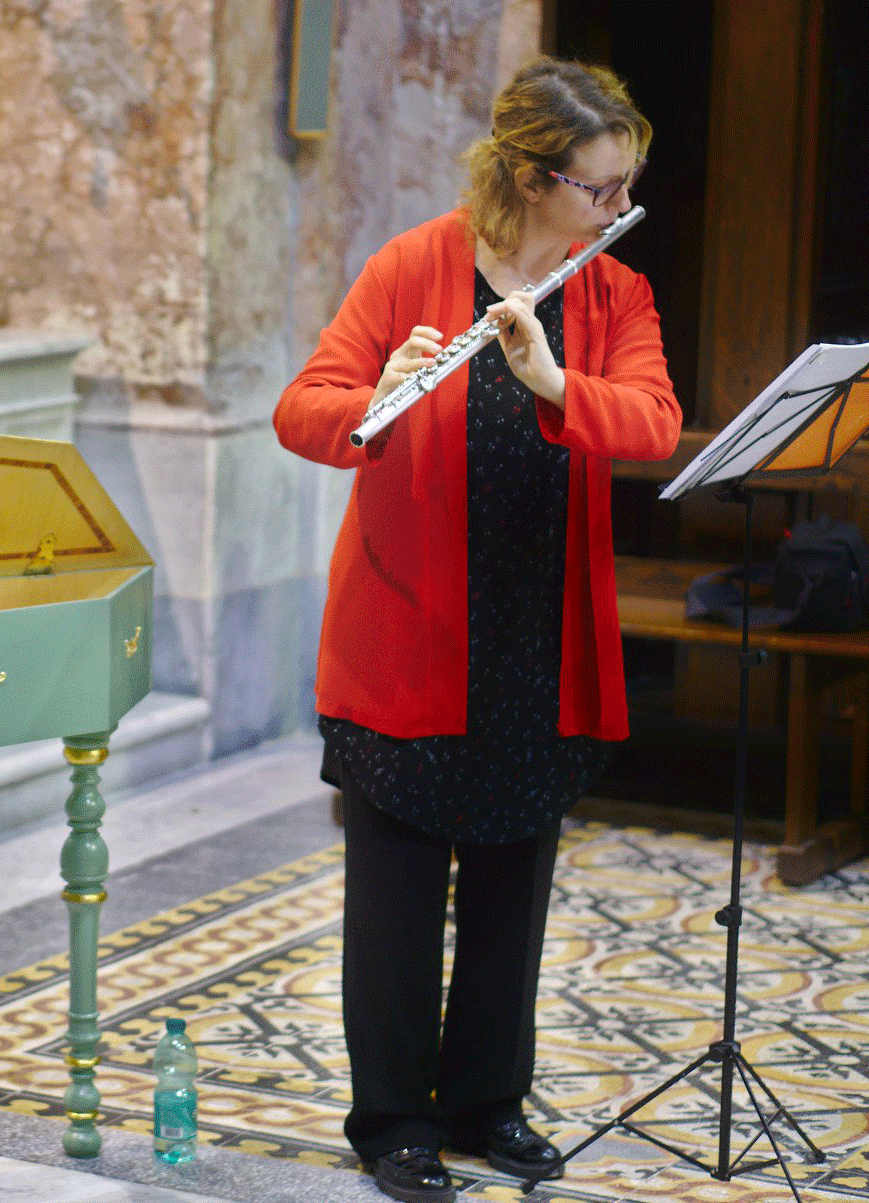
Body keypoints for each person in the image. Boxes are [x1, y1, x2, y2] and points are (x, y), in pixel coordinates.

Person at [273, 58, 681, 1203]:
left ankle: (488, 1104)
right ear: (531, 176)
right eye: (599, 189)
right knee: (395, 904)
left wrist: (554, 380)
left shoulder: (615, 295)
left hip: (537, 639)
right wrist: (375, 398)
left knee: (513, 889)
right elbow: (300, 410)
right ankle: (394, 1120)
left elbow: (652, 421)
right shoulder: (413, 266)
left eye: (623, 187)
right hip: (409, 632)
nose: (615, 206)